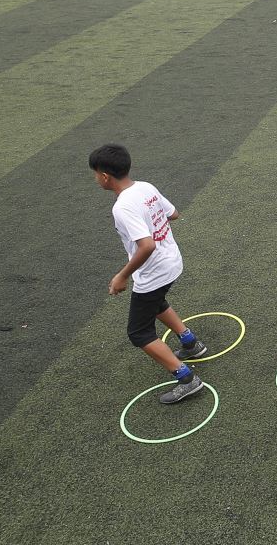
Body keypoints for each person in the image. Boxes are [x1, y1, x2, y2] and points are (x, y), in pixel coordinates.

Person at [89, 144, 209, 405]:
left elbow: (146, 245)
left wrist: (122, 276)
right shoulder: (145, 187)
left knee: (139, 332)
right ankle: (191, 343)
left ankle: (187, 379)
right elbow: (173, 214)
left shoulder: (122, 207)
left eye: (95, 174)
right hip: (172, 262)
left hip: (154, 273)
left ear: (105, 176)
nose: (96, 179)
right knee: (156, 303)